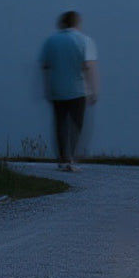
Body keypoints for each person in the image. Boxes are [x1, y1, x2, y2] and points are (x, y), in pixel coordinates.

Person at [39, 10, 99, 172]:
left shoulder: (50, 41)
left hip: (57, 89)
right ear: (77, 23)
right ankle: (72, 157)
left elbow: (45, 66)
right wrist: (94, 90)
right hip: (78, 90)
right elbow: (89, 67)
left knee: (60, 124)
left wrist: (47, 88)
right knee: (76, 125)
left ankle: (63, 158)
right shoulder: (85, 40)